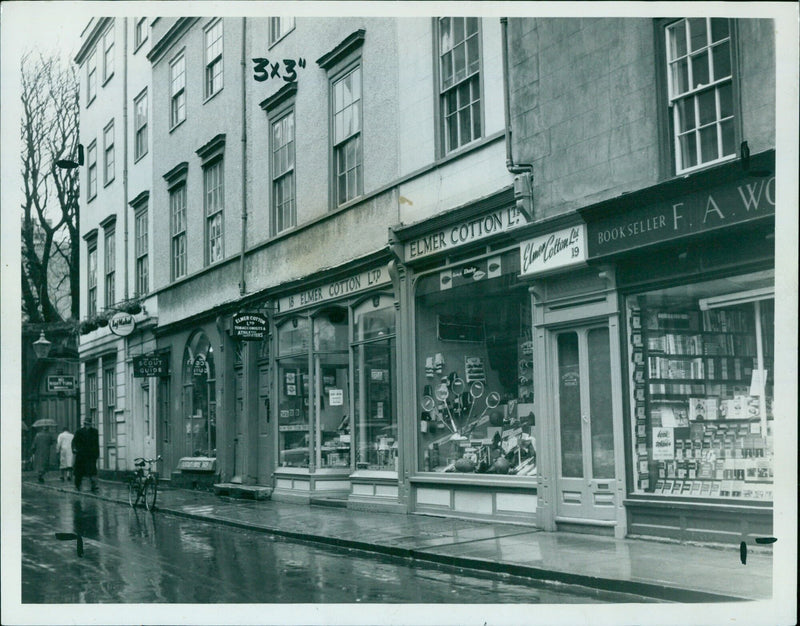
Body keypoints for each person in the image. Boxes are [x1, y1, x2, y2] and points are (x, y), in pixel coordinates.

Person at [72, 418, 99, 491]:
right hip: (81, 454)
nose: (87, 425)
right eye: (86, 424)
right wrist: (74, 449)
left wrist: (97, 454)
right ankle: (77, 485)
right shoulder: (79, 432)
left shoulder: (94, 432)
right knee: (79, 471)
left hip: (91, 454)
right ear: (84, 424)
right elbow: (74, 442)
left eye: (88, 424)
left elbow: (97, 444)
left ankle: (94, 485)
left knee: (92, 471)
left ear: (90, 424)